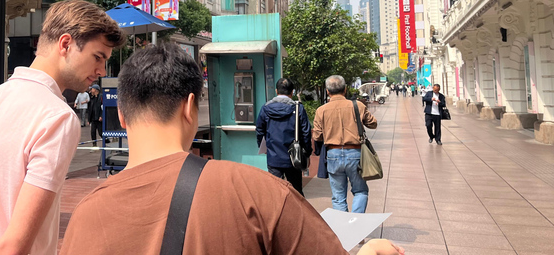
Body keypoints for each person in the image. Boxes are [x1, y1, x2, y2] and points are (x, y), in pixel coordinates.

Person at [60, 44, 404, 255]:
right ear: (190, 108)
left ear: (121, 113)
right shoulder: (257, 193)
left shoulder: (86, 213)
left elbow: (260, 128)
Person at [0, 0, 125, 255]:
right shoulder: (57, 117)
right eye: (98, 57)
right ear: (65, 44)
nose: (101, 70)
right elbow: (14, 244)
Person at [313, 75, 378, 213]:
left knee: (338, 196)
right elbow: (373, 123)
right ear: (345, 89)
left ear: (328, 91)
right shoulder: (358, 106)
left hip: (333, 154)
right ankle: (356, 224)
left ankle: (343, 230)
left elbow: (317, 136)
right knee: (360, 191)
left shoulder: (321, 110)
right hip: (355, 154)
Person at [255, 77, 311, 195]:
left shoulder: (266, 108)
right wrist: (307, 152)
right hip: (294, 157)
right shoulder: (298, 108)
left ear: (276, 91)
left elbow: (259, 130)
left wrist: (264, 147)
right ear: (292, 92)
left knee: (275, 192)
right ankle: (296, 213)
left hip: (274, 156)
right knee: (296, 193)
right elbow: (306, 132)